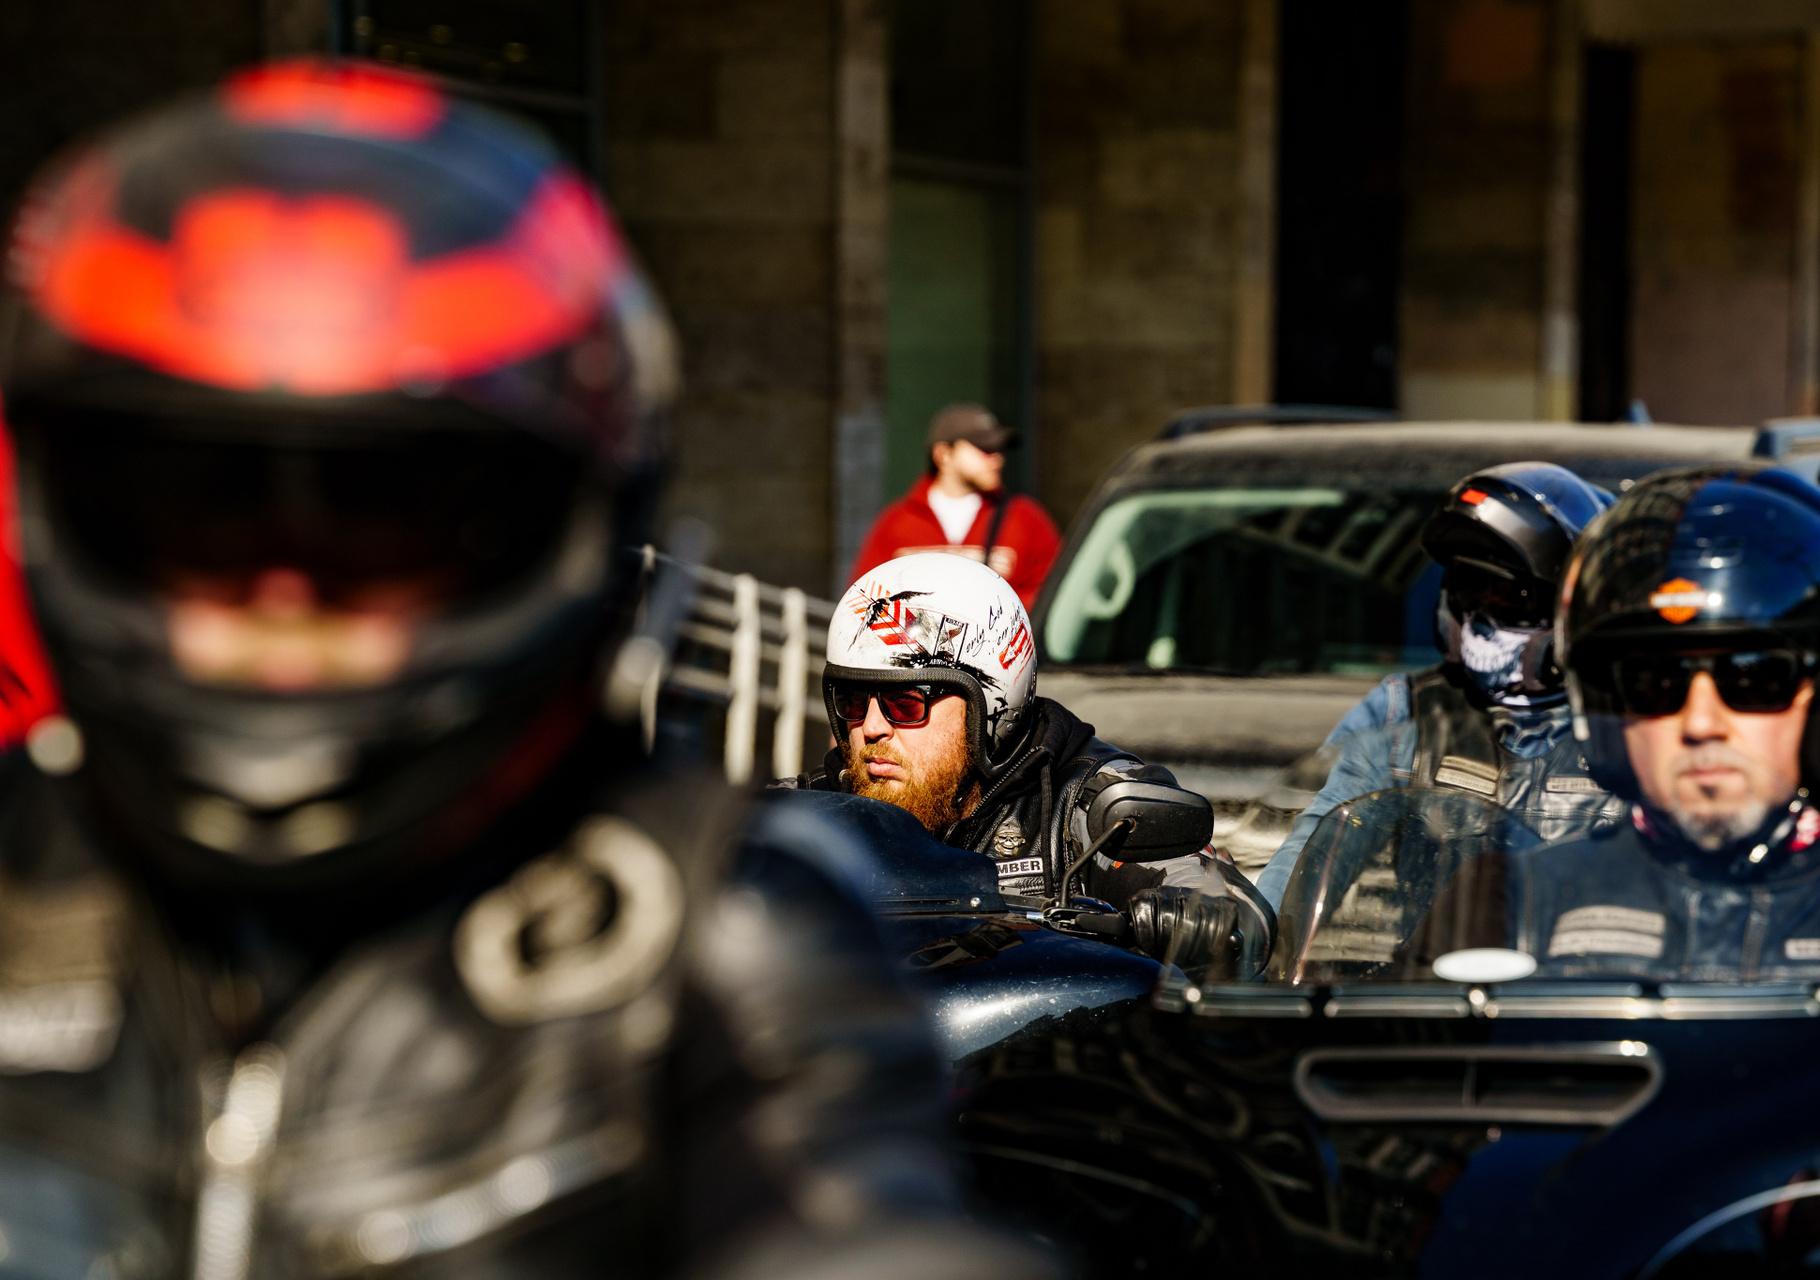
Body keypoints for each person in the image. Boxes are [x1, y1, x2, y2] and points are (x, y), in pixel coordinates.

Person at [0, 60, 1052, 1280]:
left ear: (559, 530)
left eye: (390, 514)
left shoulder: (709, 927)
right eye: (197, 505)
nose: (285, 600)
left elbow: (841, 1205)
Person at [1409, 465, 1820, 982]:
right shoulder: (1511, 899)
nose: (1701, 723)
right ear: (1607, 713)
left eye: (1754, 678)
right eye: (1655, 683)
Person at [778, 552, 1272, 971]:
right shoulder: (815, 813)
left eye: (905, 704)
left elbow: (1240, 920)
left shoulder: (1082, 802)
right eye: (852, 702)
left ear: (991, 708)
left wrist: (1189, 917)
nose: (871, 727)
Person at [1255, 463, 1622, 910]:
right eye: (1469, 589)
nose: (1481, 616)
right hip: (1437, 954)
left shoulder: (1636, 721)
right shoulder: (1406, 713)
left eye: (1512, 597)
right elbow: (1311, 854)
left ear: (1576, 612)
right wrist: (1249, 925)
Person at [848, 404, 1061, 609]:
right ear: (943, 454)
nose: (998, 459)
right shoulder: (896, 524)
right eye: (985, 449)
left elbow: (1053, 595)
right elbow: (864, 599)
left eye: (998, 450)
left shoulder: (1026, 519)